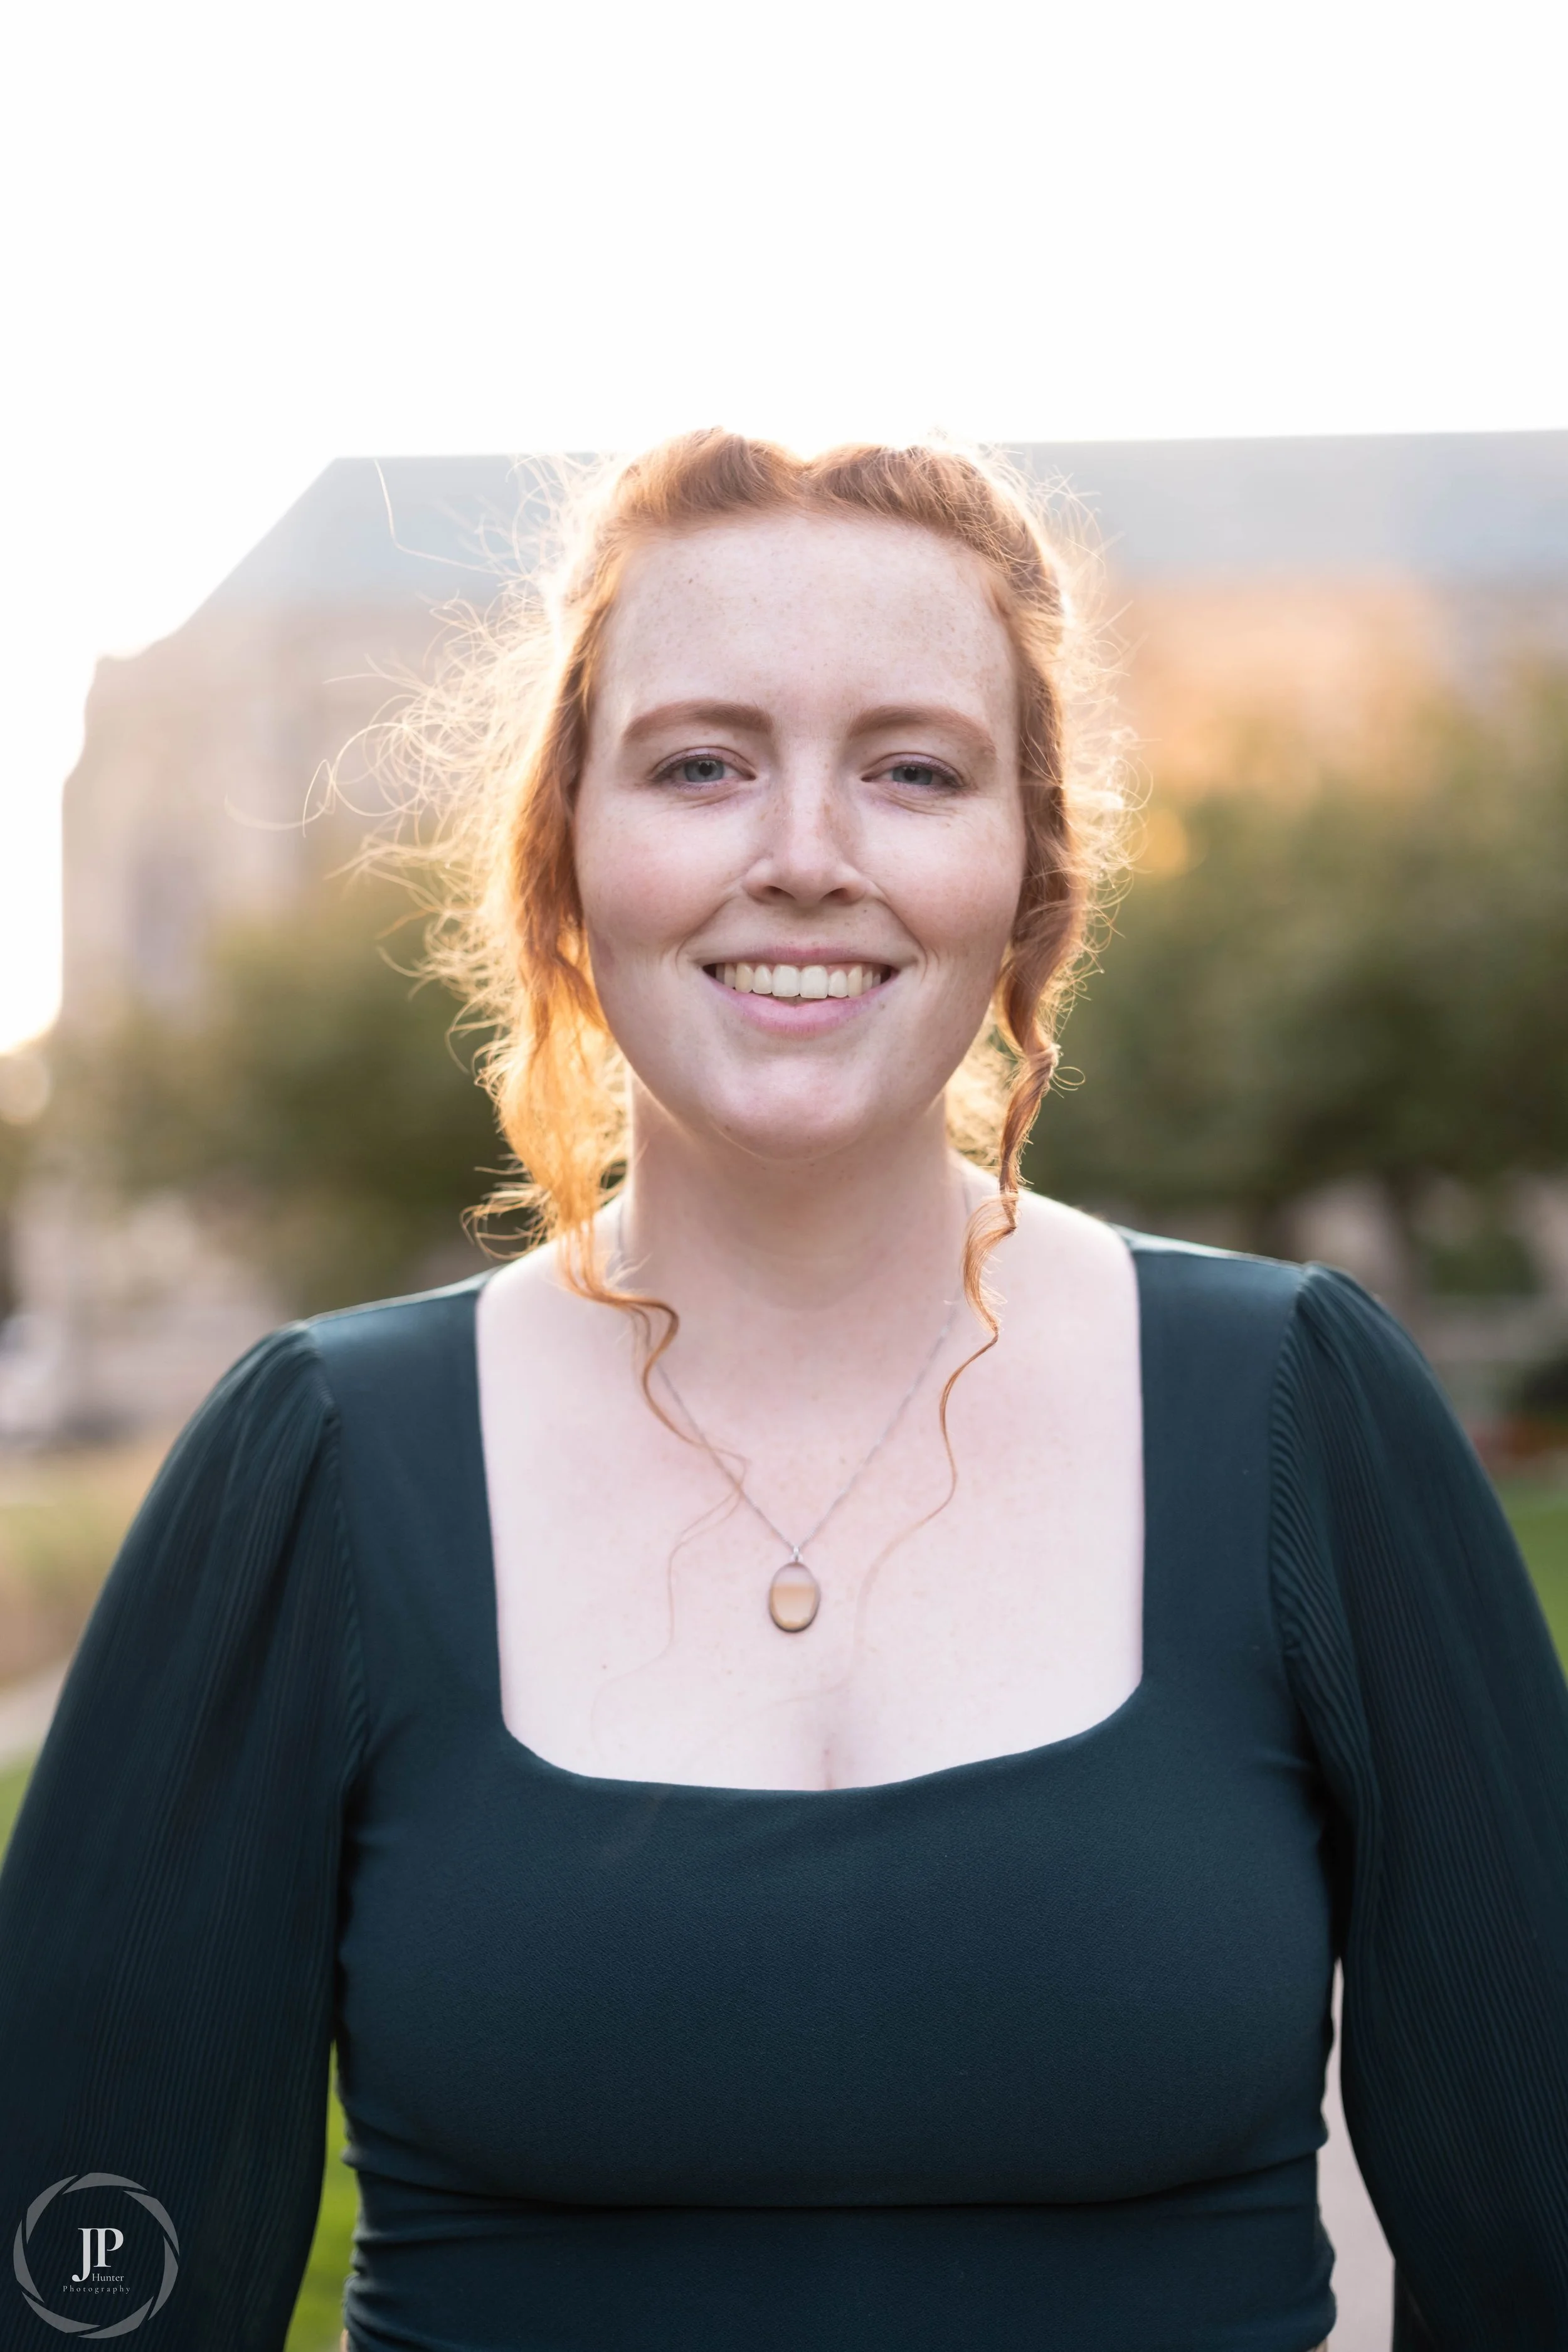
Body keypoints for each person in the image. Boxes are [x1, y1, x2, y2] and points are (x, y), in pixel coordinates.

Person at [1, 432, 1565, 2352]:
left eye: (910, 769)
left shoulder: (1300, 1418)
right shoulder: (316, 1466)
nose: (805, 852)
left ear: (1033, 870)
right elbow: (86, 2279)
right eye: (700, 763)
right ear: (561, 856)